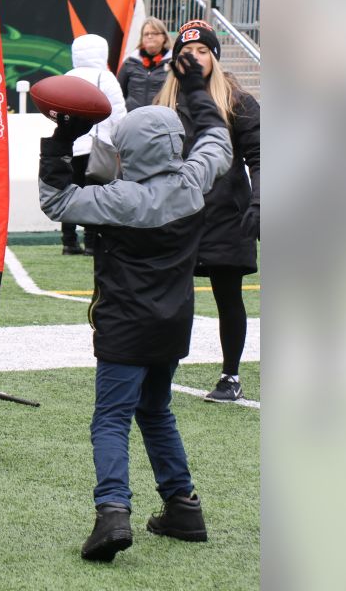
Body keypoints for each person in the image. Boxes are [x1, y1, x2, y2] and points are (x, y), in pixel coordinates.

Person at [38, 51, 234, 562]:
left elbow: (56, 201)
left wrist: (62, 140)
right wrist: (195, 90)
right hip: (173, 325)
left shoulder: (115, 199)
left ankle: (112, 512)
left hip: (124, 327)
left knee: (110, 419)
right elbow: (217, 140)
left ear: (129, 153)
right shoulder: (193, 183)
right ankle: (183, 506)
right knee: (156, 410)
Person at [154, 19, 260, 403]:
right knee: (171, 297)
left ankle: (230, 375)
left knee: (227, 294)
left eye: (202, 51)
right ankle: (161, 368)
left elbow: (261, 156)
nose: (195, 58)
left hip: (226, 216)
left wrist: (260, 203)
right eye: (186, 53)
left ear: (214, 56)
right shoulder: (163, 104)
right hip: (176, 215)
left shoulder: (238, 100)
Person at [61, 33, 128, 256]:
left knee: (69, 192)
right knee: (95, 195)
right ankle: (91, 242)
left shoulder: (68, 77)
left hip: (71, 146)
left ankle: (68, 241)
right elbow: (119, 115)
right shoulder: (106, 77)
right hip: (98, 147)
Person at [118, 16, 172, 111]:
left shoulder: (173, 64)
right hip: (133, 118)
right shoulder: (130, 62)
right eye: (146, 34)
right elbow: (119, 93)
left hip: (161, 119)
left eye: (154, 33)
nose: (150, 36)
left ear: (164, 37)